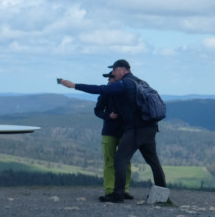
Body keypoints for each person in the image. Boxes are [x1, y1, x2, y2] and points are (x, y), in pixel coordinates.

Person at [58, 59, 166, 203]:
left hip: (136, 128)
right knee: (153, 161)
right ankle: (162, 194)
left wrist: (74, 85)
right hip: (150, 127)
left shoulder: (125, 84)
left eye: (115, 70)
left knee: (120, 159)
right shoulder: (141, 82)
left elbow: (101, 89)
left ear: (123, 69)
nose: (113, 72)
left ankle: (118, 194)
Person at [94, 83, 132, 201]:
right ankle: (110, 191)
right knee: (109, 161)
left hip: (126, 131)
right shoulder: (106, 92)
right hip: (109, 132)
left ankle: (124, 190)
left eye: (112, 77)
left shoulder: (126, 90)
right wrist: (108, 116)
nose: (109, 81)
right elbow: (97, 110)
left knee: (126, 162)